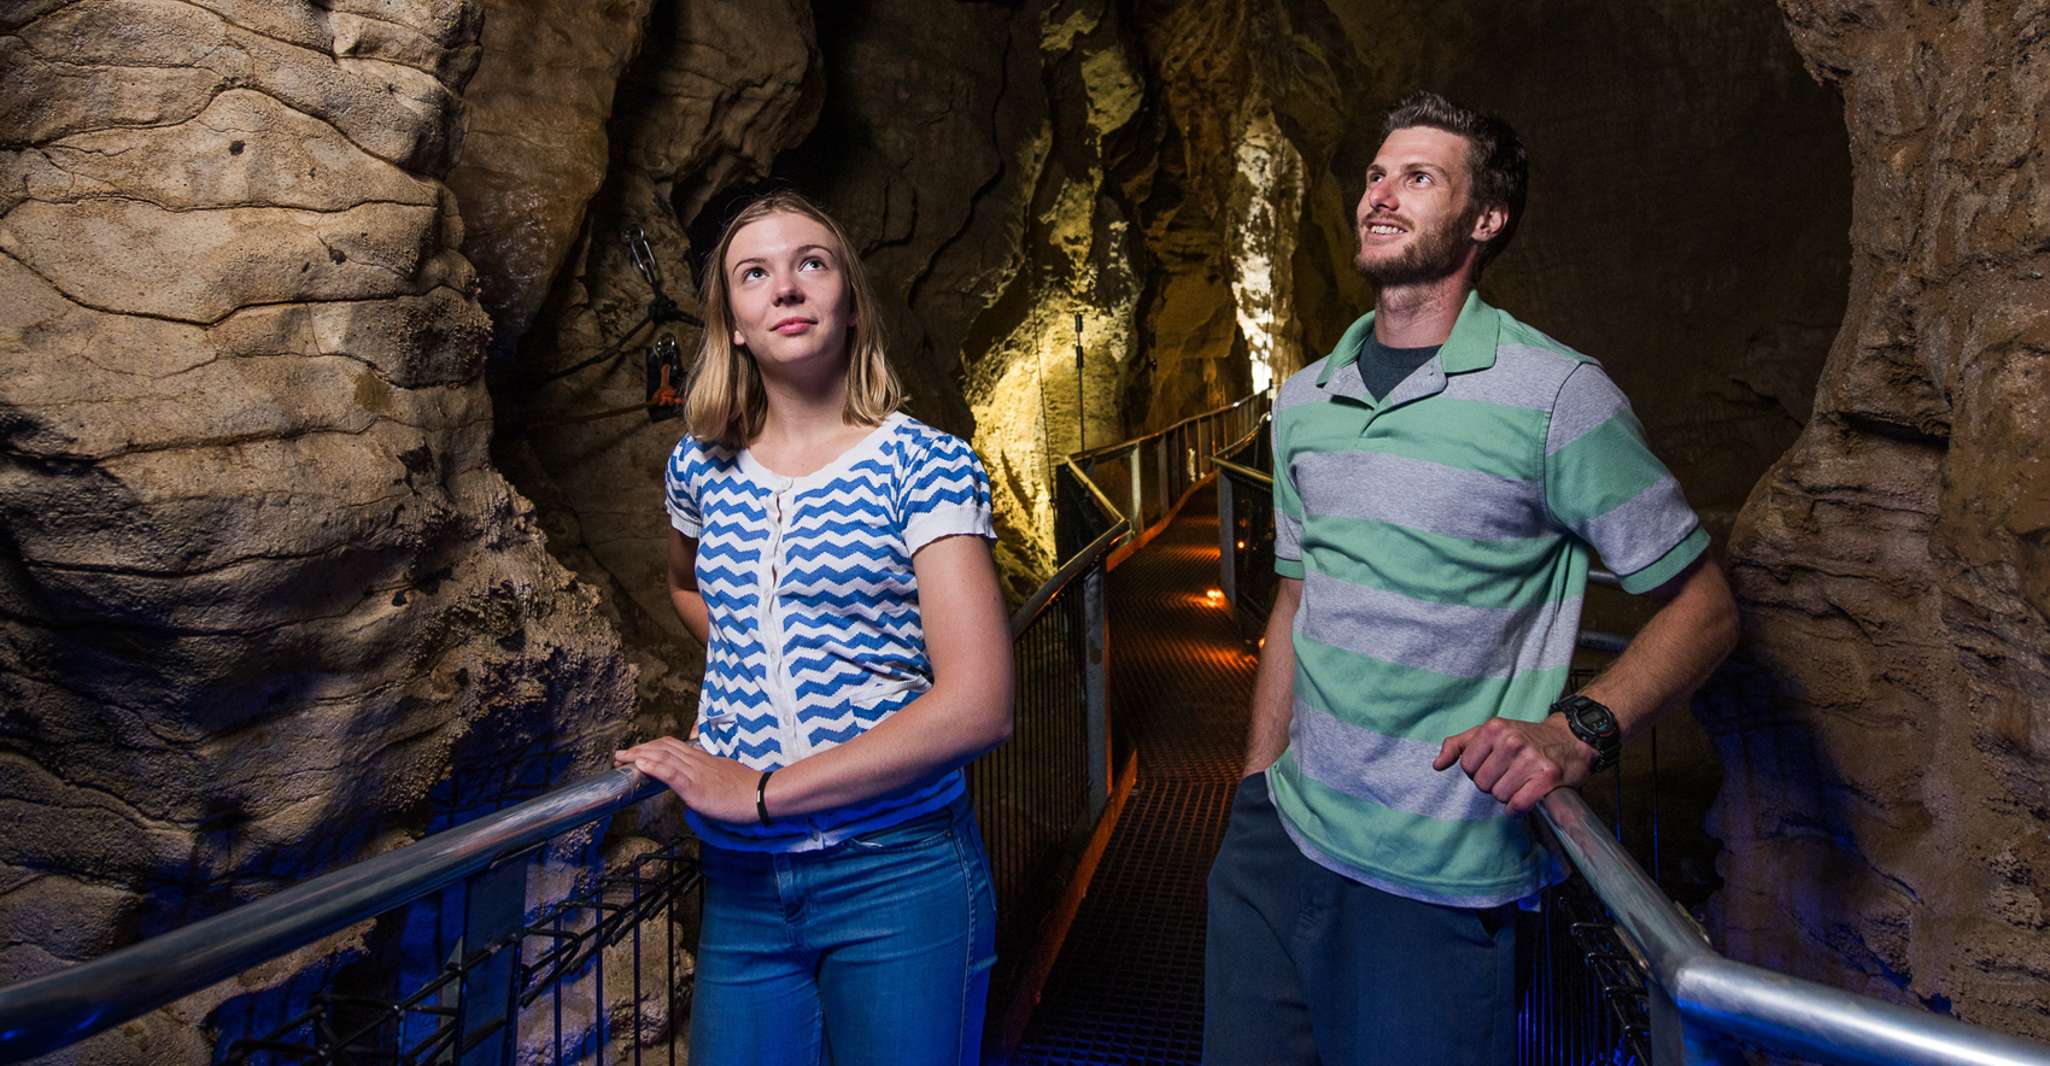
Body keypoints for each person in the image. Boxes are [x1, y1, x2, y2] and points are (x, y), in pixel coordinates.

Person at [1202, 91, 1740, 1064]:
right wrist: (1253, 784)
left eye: (1418, 177)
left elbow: (1702, 611)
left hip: (1434, 879)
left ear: (1484, 219)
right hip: (1274, 847)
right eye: (1374, 174)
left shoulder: (1555, 397)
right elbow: (1293, 599)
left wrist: (1579, 728)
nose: (1379, 194)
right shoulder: (1305, 398)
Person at [615, 189, 1012, 1066]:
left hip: (896, 870)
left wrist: (759, 790)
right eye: (754, 274)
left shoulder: (924, 464)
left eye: (811, 263)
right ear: (735, 325)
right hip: (746, 885)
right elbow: (687, 586)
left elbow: (980, 705)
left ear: (848, 300)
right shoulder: (700, 465)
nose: (785, 287)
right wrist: (760, 663)